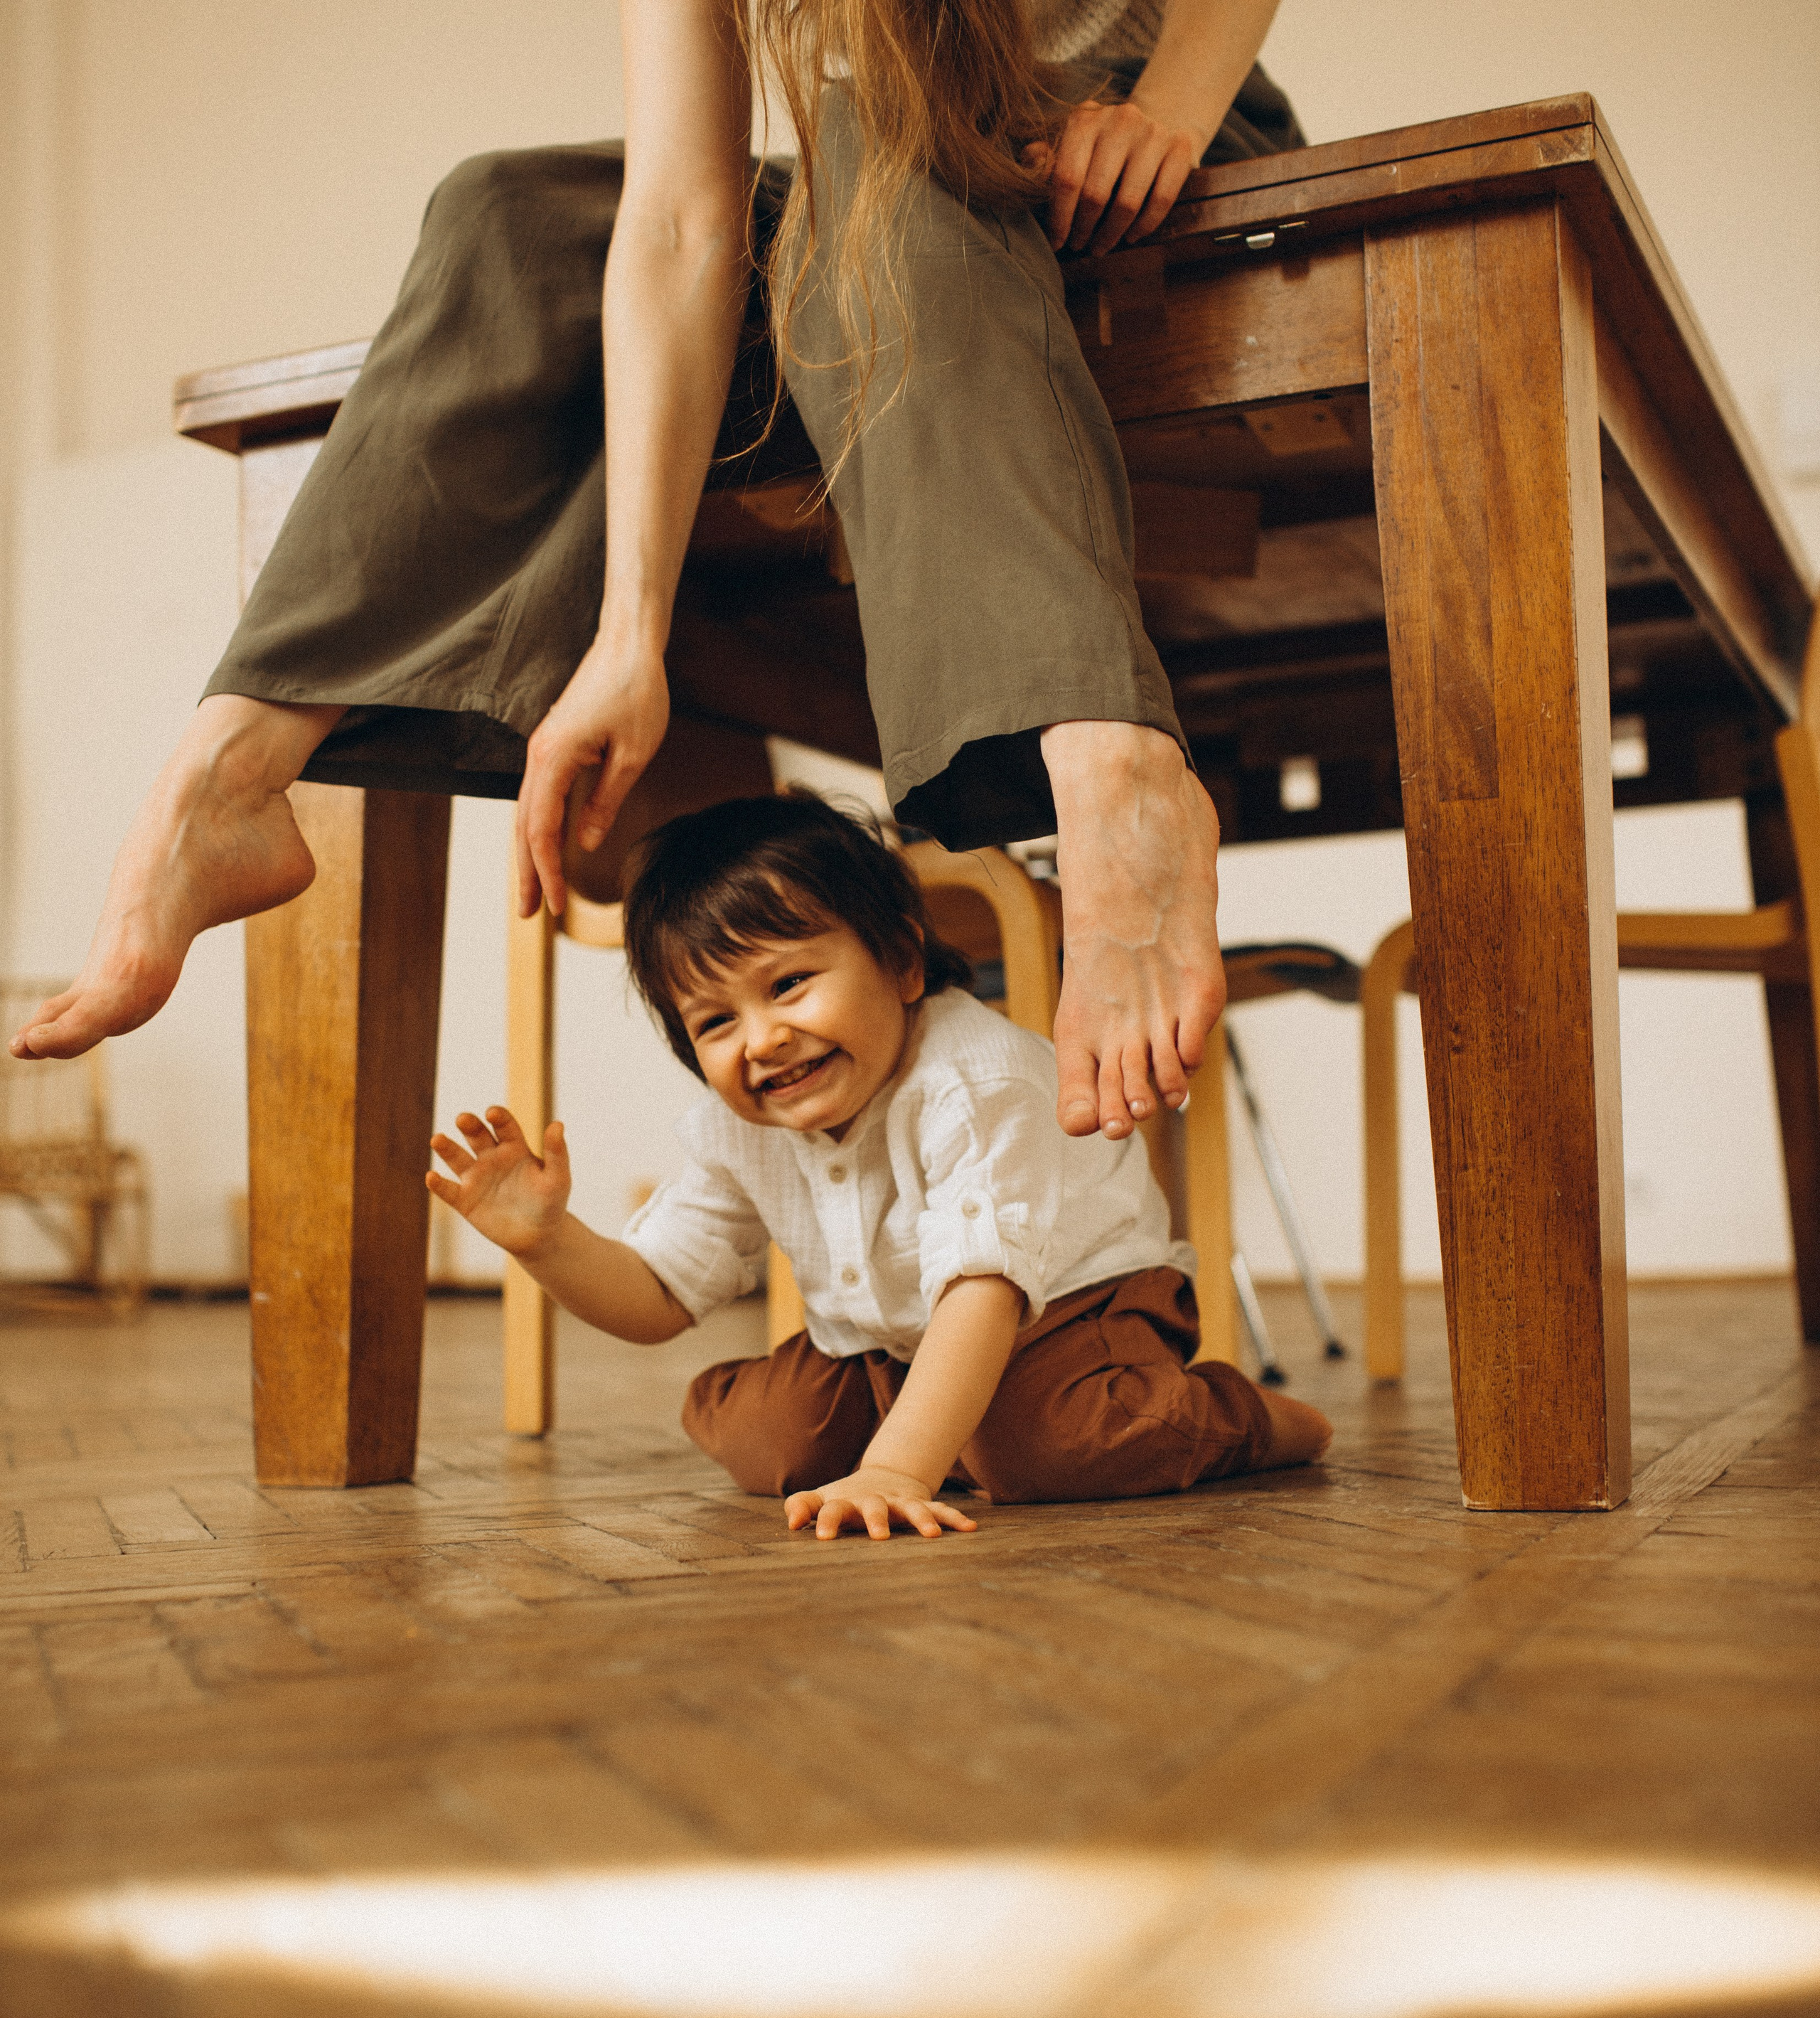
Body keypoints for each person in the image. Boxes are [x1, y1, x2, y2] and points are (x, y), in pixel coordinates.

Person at [9, 0, 1301, 1146]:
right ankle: (226, 775)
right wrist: (630, 632)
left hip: (1133, 156)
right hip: (884, 213)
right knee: (509, 217)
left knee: (875, 145)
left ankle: (1111, 765)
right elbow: (685, 222)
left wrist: (1166, 111)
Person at [427, 796, 1331, 1537]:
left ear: (901, 962)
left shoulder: (972, 1081)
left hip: (1074, 1308)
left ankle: (1240, 1418)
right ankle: (938, 1424)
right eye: (714, 1022)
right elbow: (660, 1294)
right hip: (888, 1342)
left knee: (1042, 1453)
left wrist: (896, 1470)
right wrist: (548, 1242)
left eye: (787, 985)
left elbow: (983, 1291)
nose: (763, 1039)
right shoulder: (741, 1126)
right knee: (774, 1442)